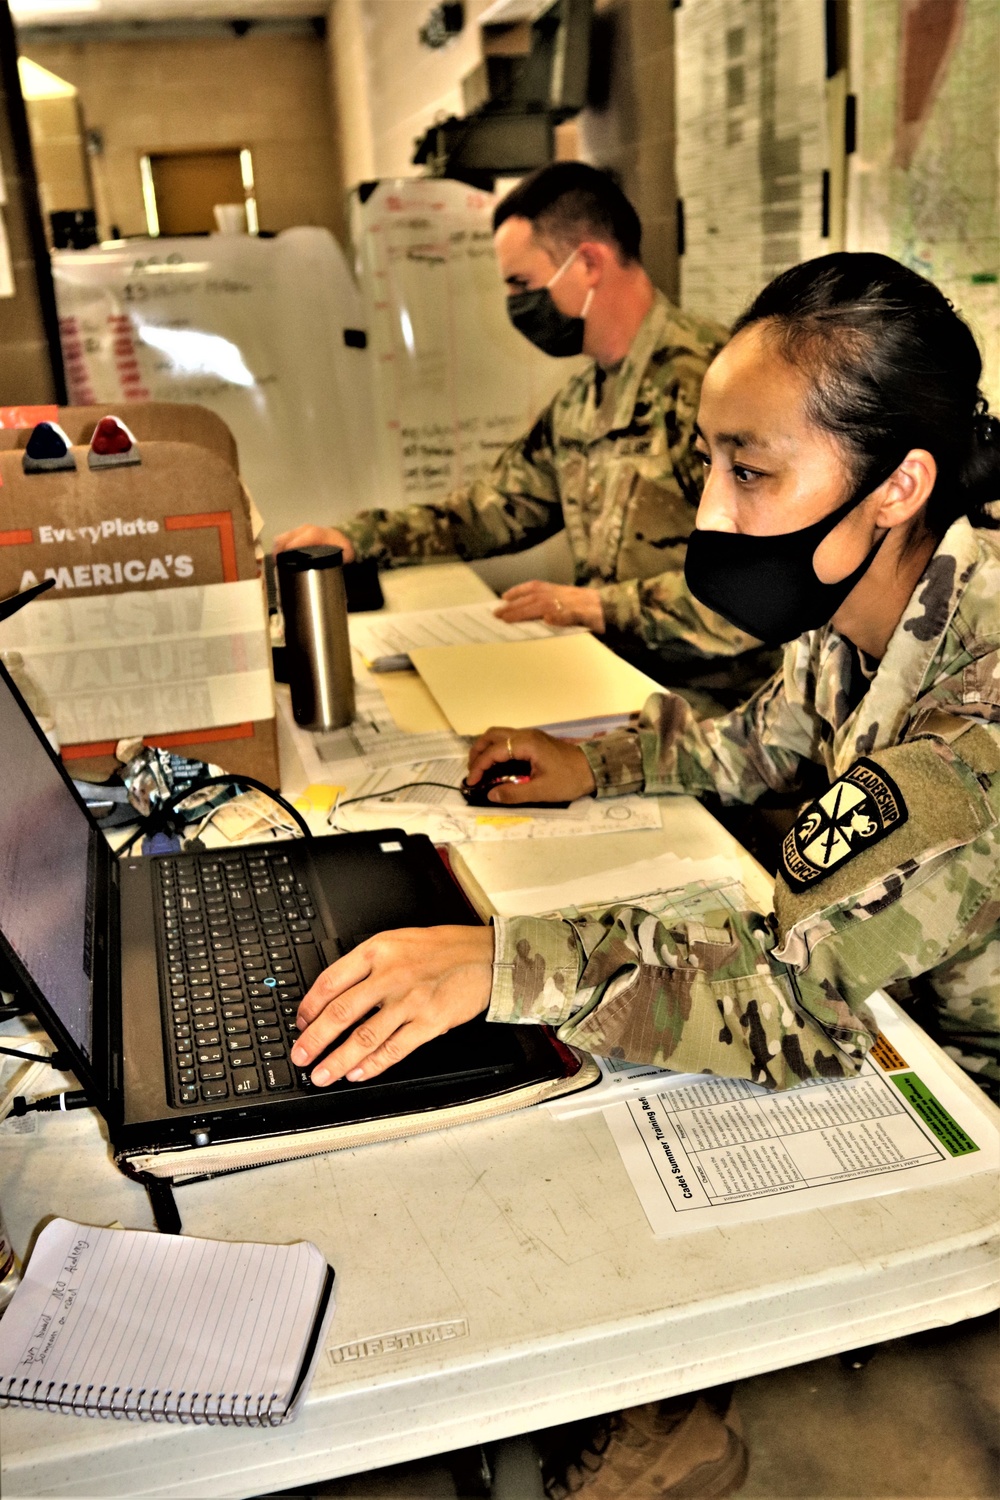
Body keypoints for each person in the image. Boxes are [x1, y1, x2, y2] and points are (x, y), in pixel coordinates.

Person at [289, 253, 1000, 1497]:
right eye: (709, 463)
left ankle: (665, 1422)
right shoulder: (869, 603)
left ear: (899, 487)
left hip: (961, 1070)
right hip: (890, 993)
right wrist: (595, 765)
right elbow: (752, 738)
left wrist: (498, 964)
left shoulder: (979, 700)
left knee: (622, 1077)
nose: (713, 514)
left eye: (751, 471)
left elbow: (792, 999)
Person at [274, 162, 777, 713]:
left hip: (723, 718)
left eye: (521, 284)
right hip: (618, 685)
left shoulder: (711, 387)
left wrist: (598, 607)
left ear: (587, 263)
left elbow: (759, 596)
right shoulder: (585, 399)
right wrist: (360, 538)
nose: (515, 304)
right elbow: (493, 510)